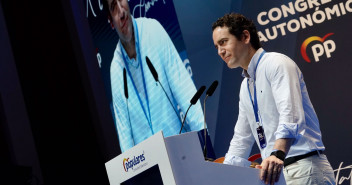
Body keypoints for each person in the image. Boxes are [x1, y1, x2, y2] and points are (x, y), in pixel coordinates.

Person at [212, 13, 335, 185]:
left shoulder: (276, 63)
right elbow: (241, 138)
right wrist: (222, 175)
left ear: (245, 36)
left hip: (303, 168)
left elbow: (290, 114)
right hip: (276, 175)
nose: (220, 51)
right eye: (216, 46)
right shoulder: (245, 86)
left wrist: (277, 153)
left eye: (223, 42)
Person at [104, 0, 204, 152]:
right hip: (150, 168)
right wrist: (134, 174)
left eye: (122, 1)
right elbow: (125, 136)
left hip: (180, 153)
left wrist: (206, 144)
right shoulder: (116, 69)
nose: (121, 12)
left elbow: (186, 93)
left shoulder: (153, 31)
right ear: (111, 22)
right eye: (113, 7)